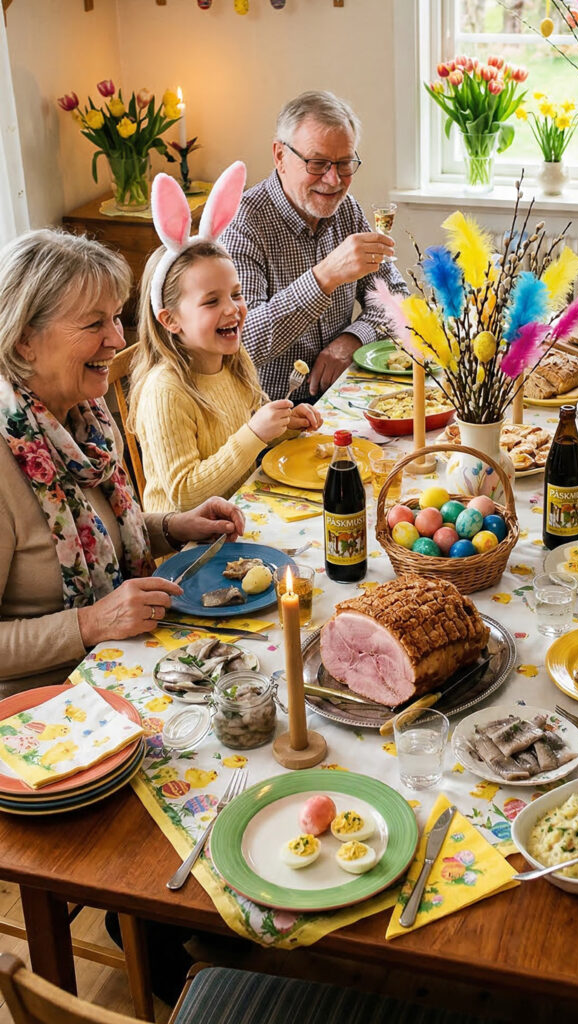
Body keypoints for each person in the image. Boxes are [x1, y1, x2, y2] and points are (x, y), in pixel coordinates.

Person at [0, 229, 247, 697]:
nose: (117, 338)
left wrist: (172, 527)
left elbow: (103, 534)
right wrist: (91, 623)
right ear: (24, 341)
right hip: (45, 706)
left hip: (121, 660)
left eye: (116, 318)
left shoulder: (85, 417)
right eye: (94, 325)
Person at [130, 162, 322, 514]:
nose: (233, 309)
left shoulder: (233, 361)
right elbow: (185, 495)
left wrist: (283, 425)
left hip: (240, 513)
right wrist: (256, 433)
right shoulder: (166, 391)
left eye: (236, 294)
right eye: (211, 301)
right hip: (189, 549)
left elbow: (243, 436)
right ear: (171, 320)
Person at [222, 90, 408, 403]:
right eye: (318, 163)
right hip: (268, 419)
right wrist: (324, 277)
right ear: (280, 156)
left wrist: (352, 339)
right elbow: (243, 342)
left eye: (345, 163)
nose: (334, 180)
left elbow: (397, 299)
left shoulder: (347, 210)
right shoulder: (242, 224)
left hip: (342, 400)